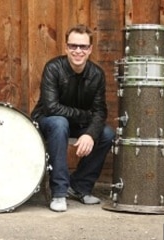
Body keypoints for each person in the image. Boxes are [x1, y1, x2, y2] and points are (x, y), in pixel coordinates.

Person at [31, 24, 115, 212]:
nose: (78, 51)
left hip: (77, 124)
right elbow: (51, 107)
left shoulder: (97, 74)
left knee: (107, 133)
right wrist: (85, 115)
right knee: (60, 123)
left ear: (90, 49)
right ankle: (59, 192)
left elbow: (100, 111)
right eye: (73, 46)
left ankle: (78, 187)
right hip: (47, 120)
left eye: (83, 47)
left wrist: (90, 134)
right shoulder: (53, 68)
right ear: (66, 47)